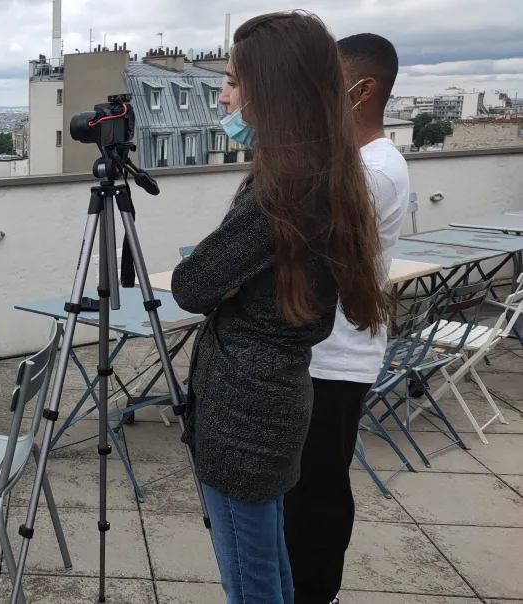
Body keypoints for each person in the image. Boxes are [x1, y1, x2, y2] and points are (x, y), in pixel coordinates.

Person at [171, 12, 390, 604]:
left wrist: (223, 282)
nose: (223, 96)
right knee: (271, 565)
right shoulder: (325, 175)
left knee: (251, 580)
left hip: (244, 414)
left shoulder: (282, 194)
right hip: (272, 404)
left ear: (274, 91)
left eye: (233, 81)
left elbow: (192, 285)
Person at [284, 33, 409, 604]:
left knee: (317, 493)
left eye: (326, 83)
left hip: (334, 358)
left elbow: (298, 248)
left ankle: (316, 593)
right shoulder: (355, 164)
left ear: (364, 90)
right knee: (302, 490)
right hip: (322, 350)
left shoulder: (372, 171)